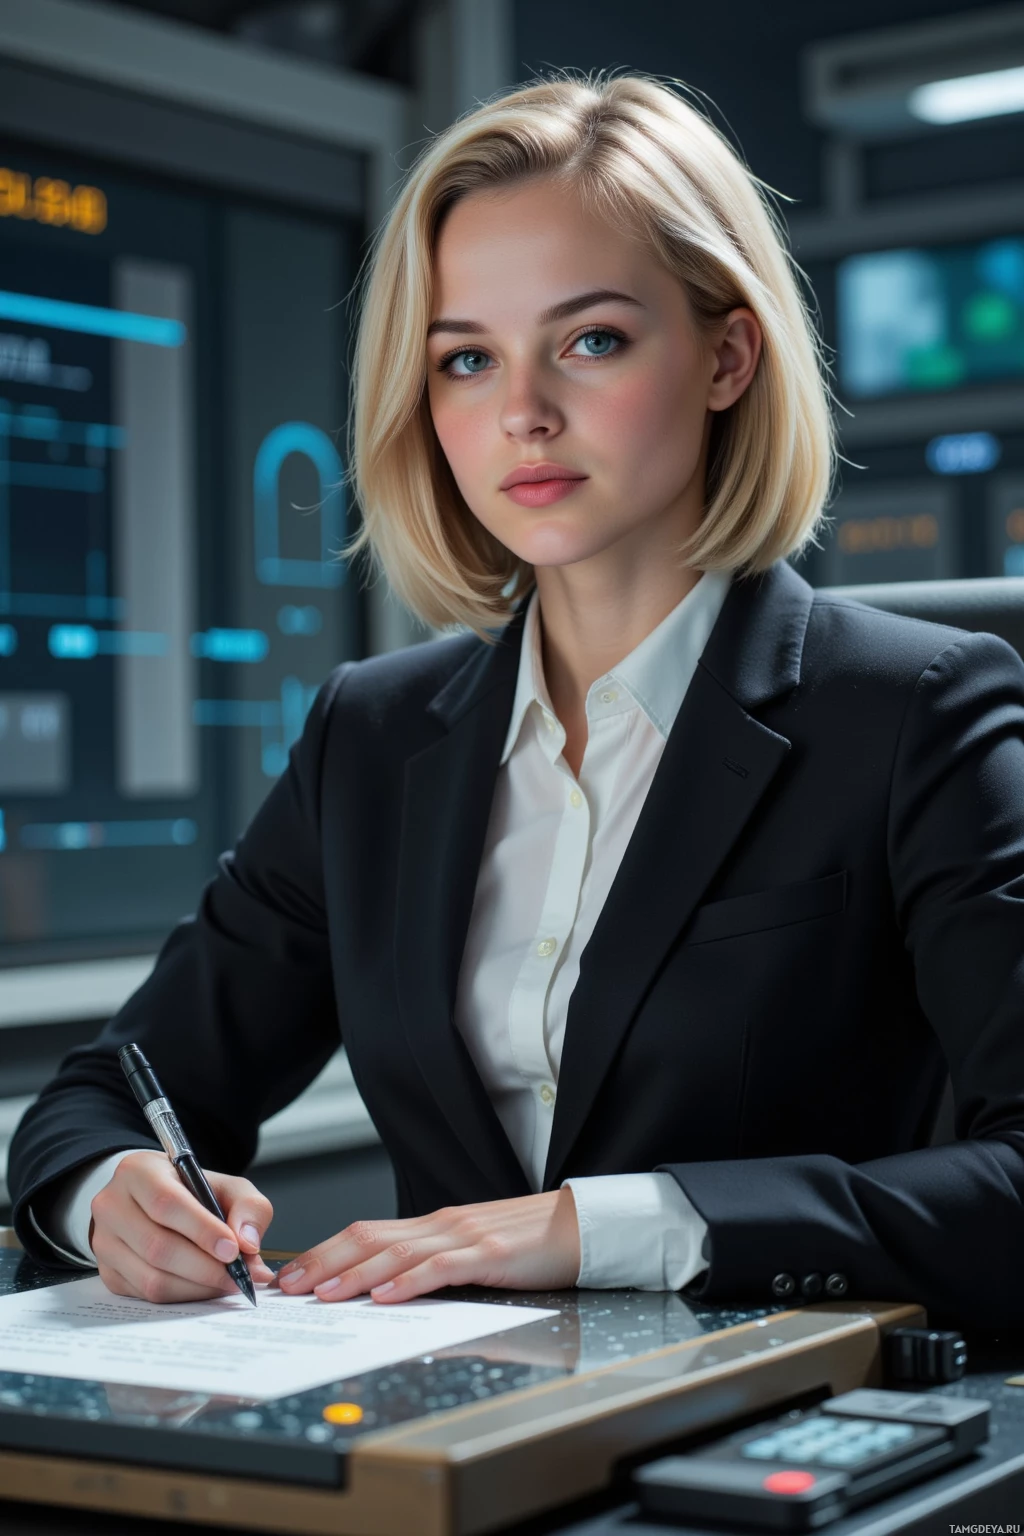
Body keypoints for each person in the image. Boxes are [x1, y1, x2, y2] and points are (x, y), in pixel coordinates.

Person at [10, 71, 1024, 1329]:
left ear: (726, 354)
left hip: (781, 1431)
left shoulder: (913, 711)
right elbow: (111, 1090)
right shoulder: (370, 737)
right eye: (466, 361)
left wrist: (600, 1225)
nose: (523, 415)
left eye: (591, 340)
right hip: (450, 1436)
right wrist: (109, 1194)